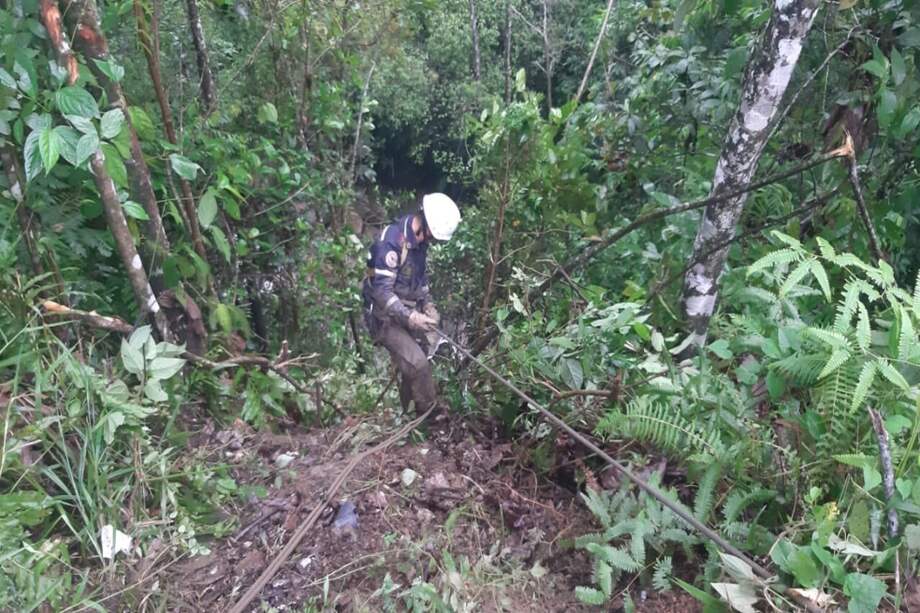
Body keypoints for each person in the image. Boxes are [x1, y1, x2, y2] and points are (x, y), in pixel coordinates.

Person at [362, 193, 461, 416]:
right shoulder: (391, 241)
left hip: (405, 310)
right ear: (424, 224)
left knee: (419, 360)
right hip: (383, 317)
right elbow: (381, 292)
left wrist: (428, 306)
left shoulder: (419, 243)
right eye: (433, 237)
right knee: (418, 364)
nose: (432, 242)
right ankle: (430, 417)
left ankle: (407, 416)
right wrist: (411, 318)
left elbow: (420, 282)